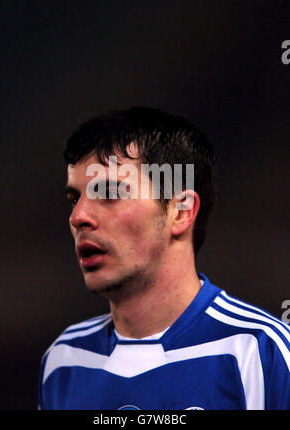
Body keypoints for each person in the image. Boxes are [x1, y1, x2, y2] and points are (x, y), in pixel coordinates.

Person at [38, 107, 290, 410]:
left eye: (108, 193)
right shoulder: (63, 362)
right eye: (74, 199)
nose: (78, 217)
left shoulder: (263, 354)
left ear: (181, 212)